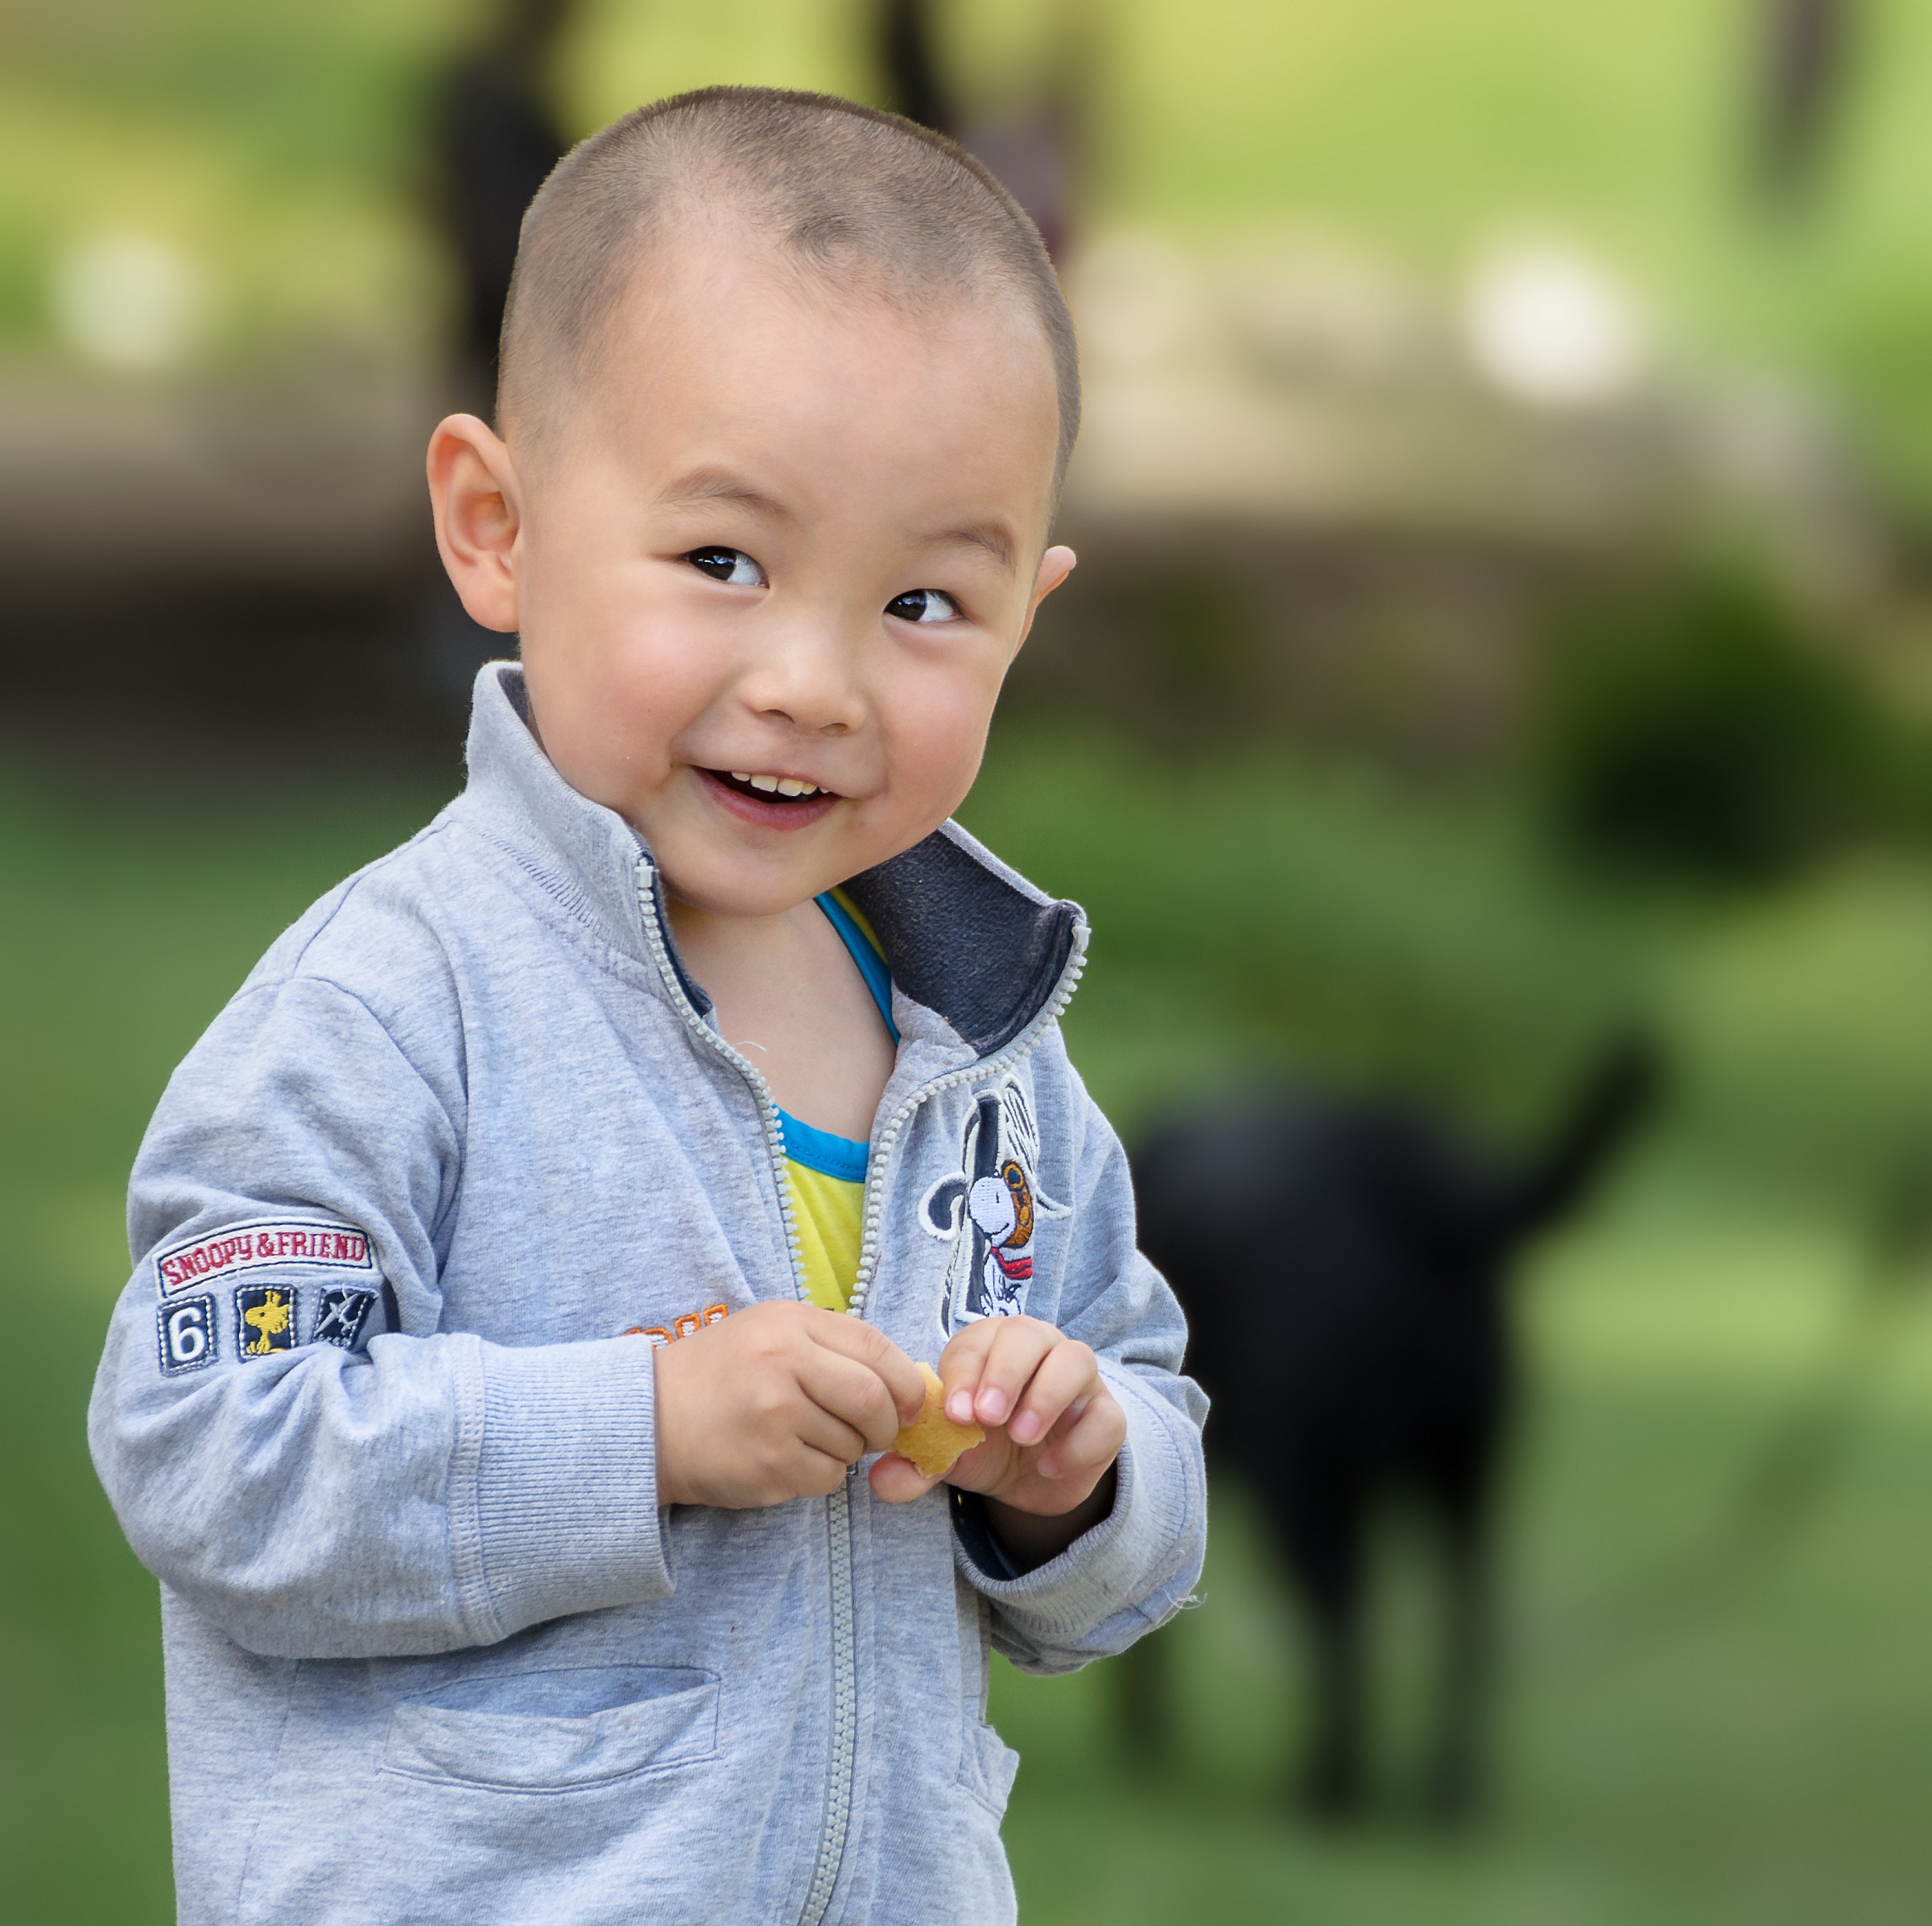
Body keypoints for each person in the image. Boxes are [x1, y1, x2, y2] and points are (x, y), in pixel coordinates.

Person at [88, 87, 1207, 1926]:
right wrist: (641, 1431)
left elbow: (1132, 1468)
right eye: (724, 562)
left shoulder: (984, 1042)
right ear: (496, 527)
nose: (815, 683)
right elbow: (215, 1452)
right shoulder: (399, 999)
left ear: (1031, 613)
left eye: (926, 600)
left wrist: (1077, 1476)